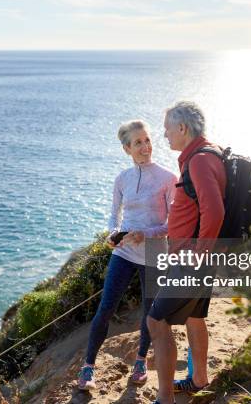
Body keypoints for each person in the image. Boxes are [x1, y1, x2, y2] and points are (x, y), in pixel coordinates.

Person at [77, 120, 177, 390]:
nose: (146, 147)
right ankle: (88, 368)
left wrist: (146, 233)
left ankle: (141, 360)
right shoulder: (122, 179)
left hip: (155, 251)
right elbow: (114, 214)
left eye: (147, 140)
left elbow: (172, 224)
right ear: (127, 149)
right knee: (106, 309)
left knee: (149, 311)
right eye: (138, 143)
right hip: (124, 252)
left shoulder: (168, 178)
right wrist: (113, 234)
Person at [146, 101, 226, 404]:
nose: (164, 135)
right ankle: (198, 378)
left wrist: (197, 254)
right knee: (194, 316)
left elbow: (214, 211)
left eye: (167, 129)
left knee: (156, 320)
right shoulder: (204, 154)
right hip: (203, 257)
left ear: (182, 128)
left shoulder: (199, 161)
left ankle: (164, 398)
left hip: (193, 261)